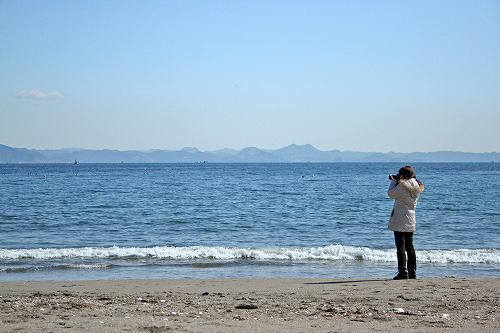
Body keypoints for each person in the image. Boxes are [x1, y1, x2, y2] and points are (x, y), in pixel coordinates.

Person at [387, 165, 425, 280]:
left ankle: (403, 272)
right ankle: (413, 272)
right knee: (410, 247)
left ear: (403, 175)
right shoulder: (416, 185)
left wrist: (394, 181)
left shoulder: (402, 186)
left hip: (400, 218)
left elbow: (390, 194)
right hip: (411, 217)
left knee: (400, 247)